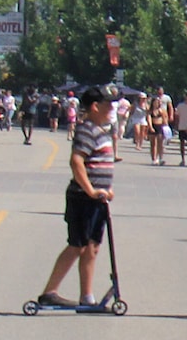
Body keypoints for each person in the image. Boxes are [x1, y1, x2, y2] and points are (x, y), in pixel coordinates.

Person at [36, 84, 119, 308]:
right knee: (77, 245)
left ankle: (87, 297)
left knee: (92, 247)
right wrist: (91, 190)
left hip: (97, 200)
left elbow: (98, 164)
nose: (112, 108)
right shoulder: (86, 129)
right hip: (82, 198)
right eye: (108, 104)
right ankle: (49, 292)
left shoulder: (101, 131)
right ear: (95, 106)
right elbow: (77, 161)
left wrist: (105, 189)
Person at [148, 96, 167, 166]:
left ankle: (160, 158)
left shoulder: (161, 110)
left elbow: (165, 119)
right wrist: (150, 127)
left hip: (160, 126)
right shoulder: (150, 111)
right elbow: (149, 118)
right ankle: (154, 159)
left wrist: (165, 126)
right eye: (155, 102)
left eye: (158, 102)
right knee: (153, 144)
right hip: (153, 126)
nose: (157, 103)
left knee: (160, 144)